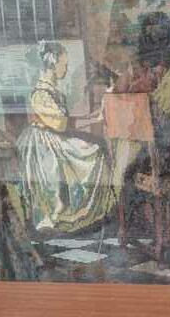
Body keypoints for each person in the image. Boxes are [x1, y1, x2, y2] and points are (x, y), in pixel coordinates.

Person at [17, 41, 114, 234]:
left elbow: (64, 121)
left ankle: (91, 210)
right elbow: (61, 125)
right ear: (53, 65)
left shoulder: (52, 91)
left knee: (97, 145)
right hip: (44, 144)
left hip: (54, 137)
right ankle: (78, 212)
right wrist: (92, 119)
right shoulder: (41, 94)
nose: (66, 69)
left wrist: (93, 117)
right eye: (64, 64)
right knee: (95, 150)